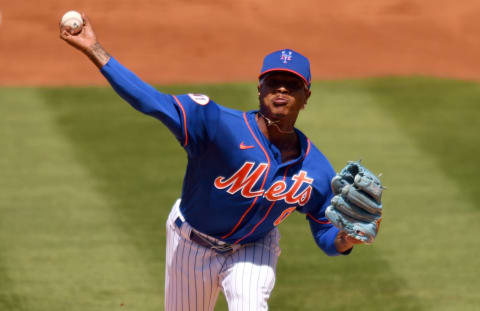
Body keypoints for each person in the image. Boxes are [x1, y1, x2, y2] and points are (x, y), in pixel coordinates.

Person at [60, 13, 367, 311]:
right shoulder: (216, 124)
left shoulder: (315, 168)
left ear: (306, 95)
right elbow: (151, 101)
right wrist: (93, 49)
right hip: (190, 243)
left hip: (254, 249)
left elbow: (326, 232)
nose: (282, 89)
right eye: (274, 82)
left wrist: (346, 238)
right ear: (260, 88)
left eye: (292, 84)